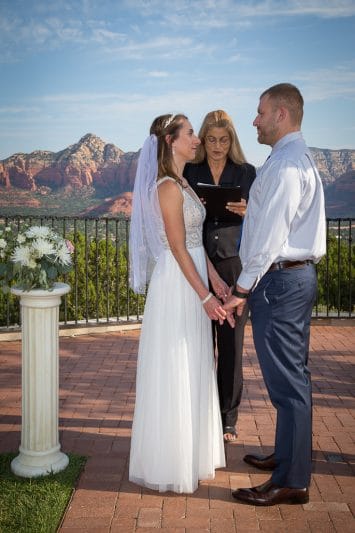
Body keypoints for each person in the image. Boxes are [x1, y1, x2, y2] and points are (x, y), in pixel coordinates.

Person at [223, 83, 326, 506]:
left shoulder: (285, 165)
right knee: (291, 380)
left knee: (288, 386)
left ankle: (292, 480)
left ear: (281, 114)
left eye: (261, 112)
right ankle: (286, 458)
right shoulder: (291, 159)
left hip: (279, 282)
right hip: (289, 280)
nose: (255, 120)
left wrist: (242, 288)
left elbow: (269, 239)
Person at [129, 113, 233, 493]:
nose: (196, 139)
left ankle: (194, 454)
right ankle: (170, 462)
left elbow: (193, 242)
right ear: (171, 140)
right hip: (177, 285)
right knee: (176, 367)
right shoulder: (167, 187)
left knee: (195, 364)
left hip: (194, 278)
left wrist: (216, 280)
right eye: (190, 133)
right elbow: (175, 247)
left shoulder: (184, 182)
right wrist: (204, 295)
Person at [184, 110, 256, 442]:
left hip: (233, 268)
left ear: (232, 141)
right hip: (197, 267)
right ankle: (199, 412)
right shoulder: (189, 170)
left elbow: (262, 222)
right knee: (198, 344)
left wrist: (250, 211)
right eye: (211, 139)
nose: (217, 146)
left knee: (230, 345)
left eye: (223, 140)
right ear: (203, 139)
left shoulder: (246, 173)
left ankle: (228, 418)